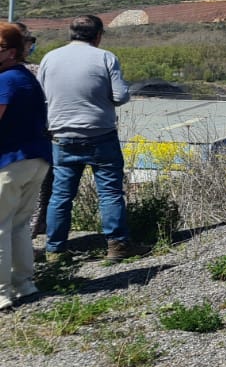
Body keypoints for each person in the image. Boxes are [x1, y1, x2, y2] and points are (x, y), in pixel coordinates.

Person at [40, 15, 137, 262]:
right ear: (98, 35)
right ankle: (117, 245)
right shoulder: (105, 57)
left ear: (71, 33)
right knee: (110, 192)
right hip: (100, 135)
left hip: (61, 137)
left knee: (61, 195)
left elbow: (42, 95)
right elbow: (120, 96)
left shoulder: (50, 58)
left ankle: (55, 250)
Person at [0, 23, 50, 311]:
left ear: (10, 52)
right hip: (36, 159)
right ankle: (24, 284)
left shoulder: (5, 81)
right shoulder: (25, 78)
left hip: (10, 161)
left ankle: (2, 292)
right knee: (18, 226)